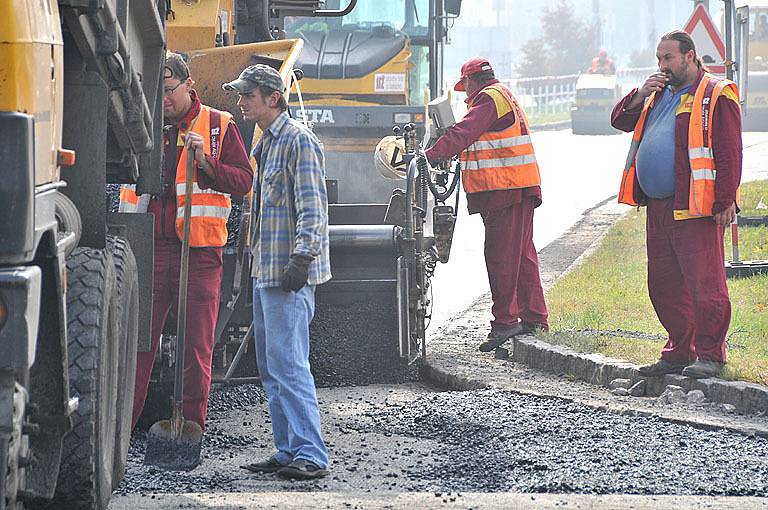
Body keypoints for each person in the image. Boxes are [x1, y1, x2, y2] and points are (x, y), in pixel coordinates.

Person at [120, 53, 253, 431]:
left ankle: (191, 428)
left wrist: (207, 163)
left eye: (168, 91)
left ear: (188, 85)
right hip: (149, 250)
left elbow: (244, 181)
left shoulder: (217, 124)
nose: (162, 100)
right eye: (155, 92)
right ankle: (122, 434)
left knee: (197, 348)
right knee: (139, 347)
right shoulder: (141, 123)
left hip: (199, 253)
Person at [611, 30, 742, 379]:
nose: (662, 65)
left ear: (689, 56)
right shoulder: (657, 94)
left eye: (667, 58)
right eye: (658, 59)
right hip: (658, 207)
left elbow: (730, 152)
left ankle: (711, 355)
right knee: (664, 284)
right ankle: (679, 351)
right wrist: (640, 93)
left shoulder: (715, 93)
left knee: (704, 284)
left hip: (695, 206)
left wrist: (726, 200)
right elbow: (619, 120)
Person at [223, 64, 332, 480]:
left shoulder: (299, 142)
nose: (240, 101)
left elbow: (312, 207)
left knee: (290, 364)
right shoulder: (266, 144)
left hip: (287, 274)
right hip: (265, 272)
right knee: (272, 367)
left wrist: (302, 259)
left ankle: (311, 453)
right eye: (240, 94)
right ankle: (288, 449)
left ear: (273, 97)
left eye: (247, 95)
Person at [425, 57, 549, 353]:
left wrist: (428, 155)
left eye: (464, 86)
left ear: (471, 80)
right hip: (514, 187)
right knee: (520, 255)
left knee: (501, 256)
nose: (464, 93)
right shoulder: (499, 96)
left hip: (506, 189)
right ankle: (534, 317)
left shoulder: (488, 99)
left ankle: (505, 322)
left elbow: (463, 133)